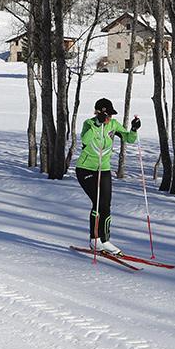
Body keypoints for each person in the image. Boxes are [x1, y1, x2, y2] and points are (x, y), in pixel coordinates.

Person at [75, 98, 140, 255]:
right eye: (107, 115)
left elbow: (129, 139)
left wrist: (133, 129)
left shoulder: (113, 125)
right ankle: (94, 240)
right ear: (99, 113)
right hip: (86, 169)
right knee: (98, 203)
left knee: (106, 205)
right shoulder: (89, 124)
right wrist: (97, 124)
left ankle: (105, 240)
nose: (110, 118)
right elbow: (85, 140)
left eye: (111, 115)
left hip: (103, 169)